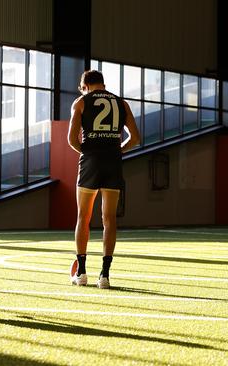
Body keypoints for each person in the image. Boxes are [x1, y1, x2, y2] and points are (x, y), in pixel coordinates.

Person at [67, 70, 140, 289]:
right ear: (104, 84)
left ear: (84, 86)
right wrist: (118, 150)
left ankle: (81, 272)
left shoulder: (80, 102)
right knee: (109, 219)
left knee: (83, 216)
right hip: (112, 161)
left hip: (90, 162)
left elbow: (71, 139)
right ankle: (105, 275)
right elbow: (135, 138)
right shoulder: (121, 103)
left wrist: (88, 152)